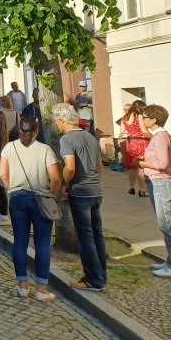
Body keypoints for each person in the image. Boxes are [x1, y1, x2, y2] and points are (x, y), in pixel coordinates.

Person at [0, 116, 60, 301]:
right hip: (40, 198)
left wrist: (10, 188)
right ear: (36, 131)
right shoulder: (45, 150)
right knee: (42, 243)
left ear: (19, 130)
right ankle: (41, 288)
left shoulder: (9, 148)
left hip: (17, 197)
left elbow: (2, 173)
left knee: (20, 241)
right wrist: (51, 194)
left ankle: (22, 285)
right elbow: (55, 178)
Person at [54, 103, 107, 292]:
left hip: (80, 191)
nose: (56, 124)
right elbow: (99, 166)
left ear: (61, 120)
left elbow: (70, 166)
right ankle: (101, 274)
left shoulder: (67, 139)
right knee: (97, 234)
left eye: (56, 121)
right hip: (95, 190)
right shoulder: (90, 136)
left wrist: (65, 184)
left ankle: (93, 279)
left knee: (85, 237)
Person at [134, 105, 171, 278]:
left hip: (162, 183)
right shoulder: (160, 136)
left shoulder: (160, 137)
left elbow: (162, 164)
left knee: (168, 226)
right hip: (160, 183)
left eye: (145, 117)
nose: (143, 120)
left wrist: (142, 164)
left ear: (154, 119)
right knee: (169, 225)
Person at [119, 100, 149, 196]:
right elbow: (144, 131)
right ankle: (142, 190)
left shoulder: (124, 117)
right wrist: (153, 136)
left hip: (130, 142)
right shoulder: (139, 116)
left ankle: (131, 188)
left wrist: (131, 132)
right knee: (141, 166)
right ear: (139, 107)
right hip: (141, 142)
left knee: (132, 168)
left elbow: (123, 131)